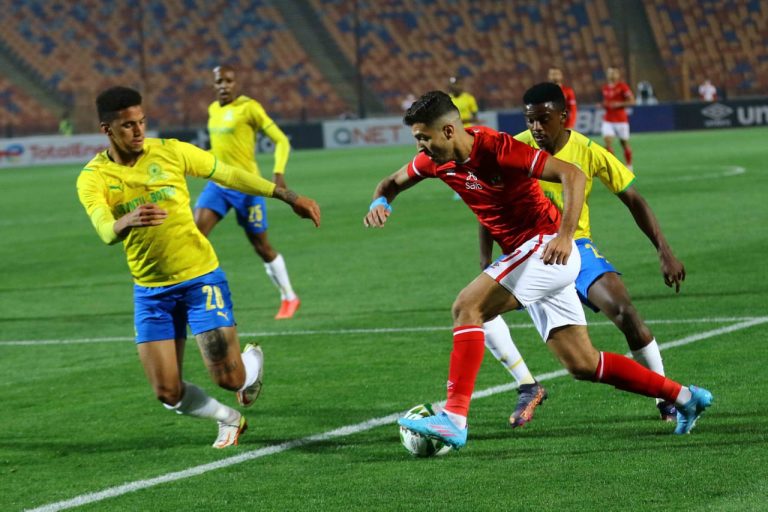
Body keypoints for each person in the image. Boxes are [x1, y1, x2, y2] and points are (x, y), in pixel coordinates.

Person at [364, 90, 711, 449]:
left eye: (424, 137)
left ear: (449, 131)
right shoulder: (432, 162)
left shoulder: (497, 148)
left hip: (547, 248)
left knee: (466, 307)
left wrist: (564, 236)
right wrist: (380, 201)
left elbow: (573, 175)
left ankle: (454, 417)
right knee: (583, 364)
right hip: (532, 258)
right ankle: (686, 397)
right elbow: (391, 182)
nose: (420, 146)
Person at [76, 86, 321, 449]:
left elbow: (229, 175)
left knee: (229, 377)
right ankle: (229, 419)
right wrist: (123, 222)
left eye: (142, 121)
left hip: (199, 278)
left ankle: (251, 362)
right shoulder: (93, 177)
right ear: (107, 129)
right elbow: (102, 228)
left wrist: (288, 196)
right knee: (167, 392)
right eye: (128, 125)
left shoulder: (171, 151)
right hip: (150, 292)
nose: (139, 131)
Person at [478, 82, 686, 428]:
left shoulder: (589, 152)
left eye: (544, 120)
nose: (536, 128)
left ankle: (667, 398)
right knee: (474, 310)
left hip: (576, 246)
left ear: (564, 116)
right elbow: (489, 205)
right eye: (530, 121)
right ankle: (527, 385)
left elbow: (633, 199)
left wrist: (664, 251)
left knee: (625, 312)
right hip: (529, 254)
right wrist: (485, 262)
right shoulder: (513, 148)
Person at [195, 65, 301, 320]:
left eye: (229, 81)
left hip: (248, 187)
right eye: (219, 81)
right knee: (194, 236)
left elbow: (281, 140)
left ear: (236, 83)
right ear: (214, 84)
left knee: (261, 246)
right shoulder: (212, 110)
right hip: (218, 186)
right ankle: (195, 297)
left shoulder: (249, 108)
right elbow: (220, 151)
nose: (224, 85)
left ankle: (289, 296)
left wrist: (278, 172)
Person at [601, 67, 635, 170]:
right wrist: (604, 105)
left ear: (618, 75)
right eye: (610, 73)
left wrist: (619, 104)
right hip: (608, 120)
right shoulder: (605, 88)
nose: (612, 75)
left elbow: (632, 101)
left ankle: (629, 165)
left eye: (614, 73)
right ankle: (615, 166)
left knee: (624, 143)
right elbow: (607, 102)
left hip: (621, 120)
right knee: (607, 142)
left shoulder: (623, 87)